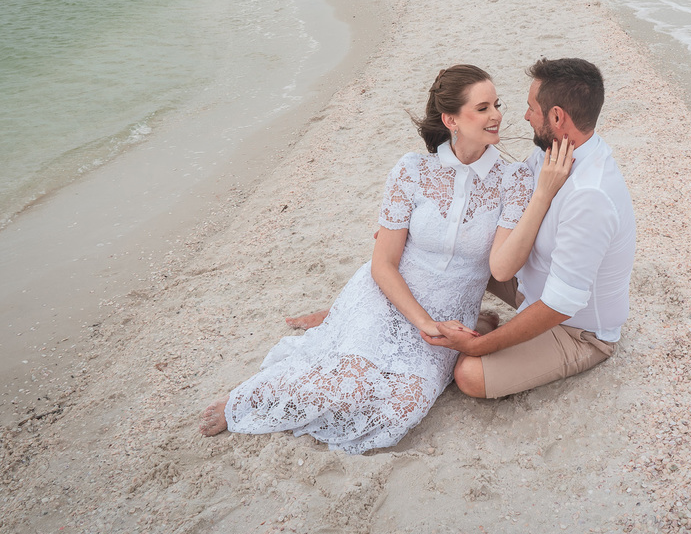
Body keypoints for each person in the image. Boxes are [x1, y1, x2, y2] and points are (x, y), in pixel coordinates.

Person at [197, 65, 574, 453]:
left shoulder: (513, 180)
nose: (496, 115)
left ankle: (465, 323)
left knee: (399, 412)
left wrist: (542, 194)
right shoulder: (412, 171)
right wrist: (424, 322)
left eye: (496, 104)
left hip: (451, 311)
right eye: (482, 108)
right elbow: (383, 265)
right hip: (388, 297)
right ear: (451, 120)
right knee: (349, 386)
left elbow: (501, 268)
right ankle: (244, 400)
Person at [423, 57, 636, 399]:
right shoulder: (552, 152)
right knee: (448, 247)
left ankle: (484, 330)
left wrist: (482, 347)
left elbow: (559, 306)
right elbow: (501, 200)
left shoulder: (589, 197)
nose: (524, 116)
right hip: (531, 284)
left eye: (531, 108)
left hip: (576, 328)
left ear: (556, 117)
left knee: (470, 375)